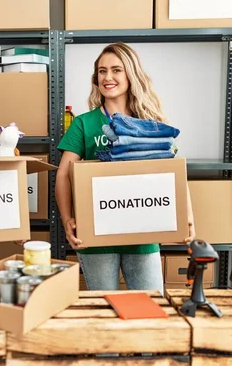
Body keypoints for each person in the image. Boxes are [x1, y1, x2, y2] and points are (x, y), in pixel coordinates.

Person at [55, 42, 195, 295]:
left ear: (131, 74)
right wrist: (67, 220)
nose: (108, 77)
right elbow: (64, 175)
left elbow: (173, 174)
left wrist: (188, 218)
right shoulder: (84, 124)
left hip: (142, 234)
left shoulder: (151, 124)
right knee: (103, 306)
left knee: (151, 305)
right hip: (96, 236)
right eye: (102, 71)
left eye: (116, 70)